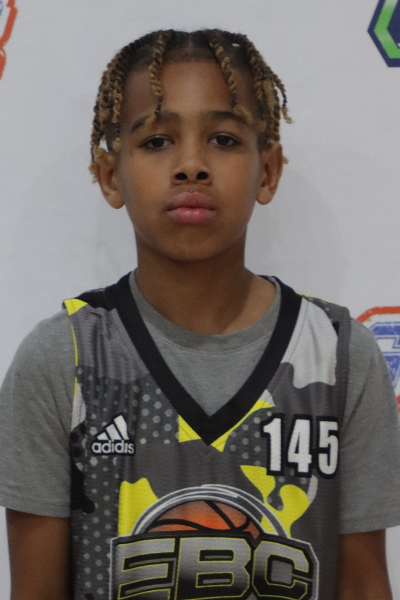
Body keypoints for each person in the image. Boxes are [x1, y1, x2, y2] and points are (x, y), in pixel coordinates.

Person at [0, 28, 400, 600]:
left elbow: (364, 584)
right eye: (157, 141)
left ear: (268, 171)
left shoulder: (339, 355)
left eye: (223, 139)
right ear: (111, 175)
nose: (191, 165)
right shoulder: (62, 359)